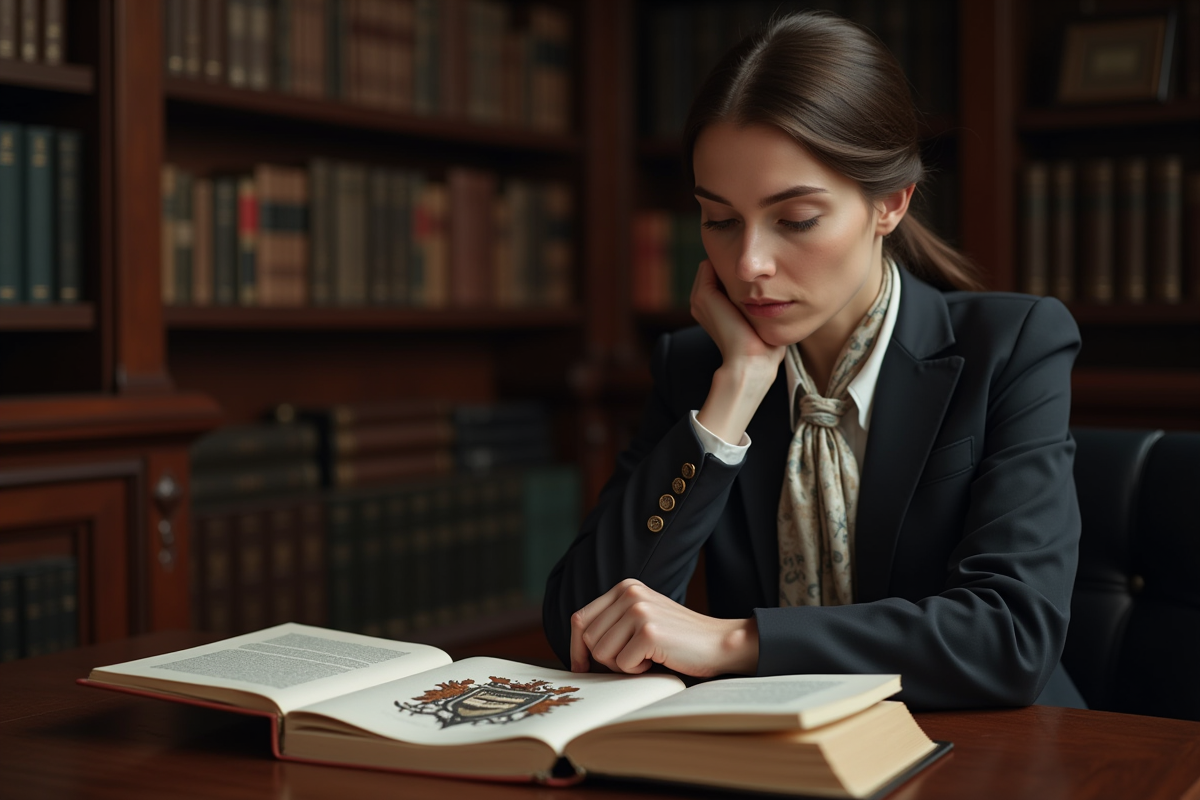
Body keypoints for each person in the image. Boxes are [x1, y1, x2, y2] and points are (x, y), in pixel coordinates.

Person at [542, 11, 1086, 710]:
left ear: (890, 202)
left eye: (795, 220)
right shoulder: (696, 369)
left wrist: (735, 642)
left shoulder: (1011, 347)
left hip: (1003, 751)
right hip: (783, 755)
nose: (749, 264)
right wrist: (732, 396)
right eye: (719, 219)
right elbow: (584, 624)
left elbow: (1011, 635)